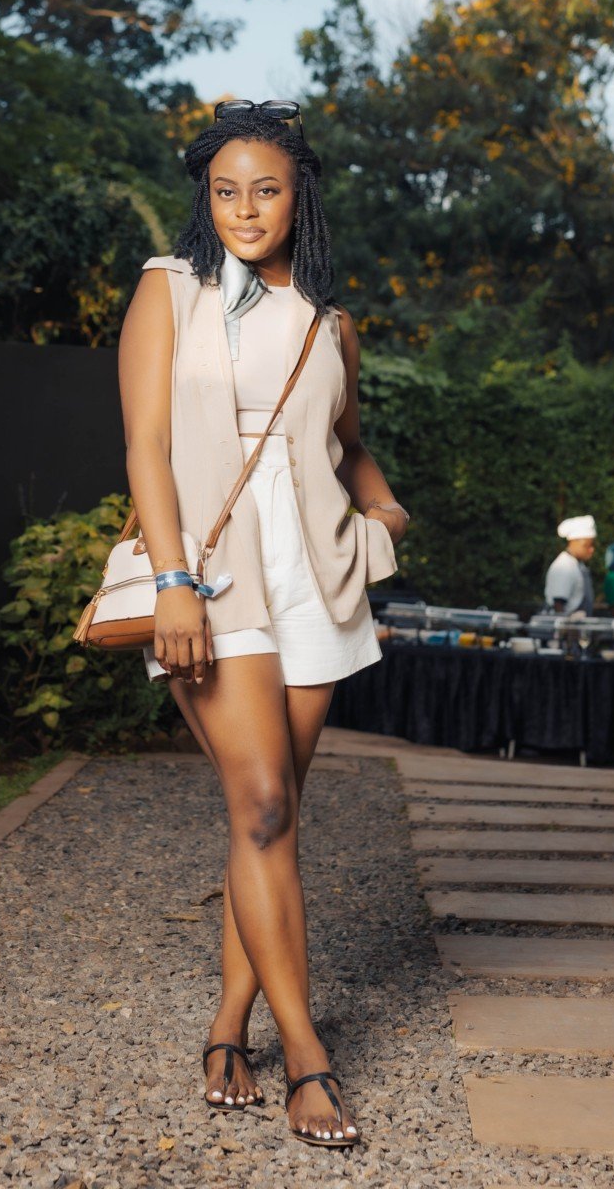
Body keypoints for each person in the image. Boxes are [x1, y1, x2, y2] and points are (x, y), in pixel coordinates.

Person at [116, 98, 409, 1150]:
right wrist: (173, 580)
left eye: (267, 189)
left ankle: (225, 1029)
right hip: (210, 573)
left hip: (315, 577)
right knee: (267, 804)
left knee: (267, 824)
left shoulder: (330, 321)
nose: (244, 209)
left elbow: (346, 442)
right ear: (205, 196)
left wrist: (384, 509)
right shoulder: (168, 288)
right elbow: (147, 445)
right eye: (225, 190)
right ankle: (308, 1055)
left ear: (300, 198)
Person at [544, 515, 597, 614]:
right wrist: (568, 621)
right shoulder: (564, 566)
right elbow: (558, 606)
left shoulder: (578, 565)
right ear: (574, 542)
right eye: (587, 545)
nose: (591, 550)